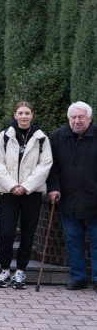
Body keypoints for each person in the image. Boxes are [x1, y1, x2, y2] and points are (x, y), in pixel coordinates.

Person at [0, 101, 53, 289]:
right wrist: (12, 186)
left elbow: (45, 165)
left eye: (27, 113)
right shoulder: (4, 136)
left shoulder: (42, 139)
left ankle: (20, 272)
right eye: (20, 113)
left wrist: (26, 187)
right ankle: (4, 270)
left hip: (31, 193)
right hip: (9, 193)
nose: (24, 116)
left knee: (28, 232)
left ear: (32, 115)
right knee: (5, 232)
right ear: (15, 114)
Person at [47, 102, 97, 291]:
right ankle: (78, 277)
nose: (77, 121)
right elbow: (52, 167)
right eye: (73, 117)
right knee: (73, 239)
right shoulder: (58, 136)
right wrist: (53, 188)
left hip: (94, 198)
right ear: (68, 119)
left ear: (89, 119)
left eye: (81, 117)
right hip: (68, 199)